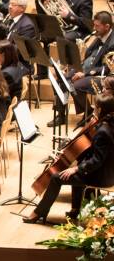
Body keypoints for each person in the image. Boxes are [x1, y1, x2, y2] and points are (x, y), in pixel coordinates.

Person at [24, 94, 114, 224]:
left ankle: (39, 212)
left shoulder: (103, 131)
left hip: (102, 177)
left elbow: (97, 160)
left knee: (56, 178)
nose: (93, 108)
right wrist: (72, 159)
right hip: (108, 171)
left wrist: (76, 168)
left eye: (96, 106)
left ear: (100, 110)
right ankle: (75, 210)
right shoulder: (108, 125)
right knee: (73, 170)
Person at [67, 11, 114, 124]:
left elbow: (107, 68)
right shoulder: (100, 35)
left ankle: (88, 112)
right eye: (94, 25)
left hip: (103, 76)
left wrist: (85, 73)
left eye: (97, 26)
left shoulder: (112, 43)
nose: (94, 28)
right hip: (88, 67)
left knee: (76, 85)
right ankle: (60, 113)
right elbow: (89, 54)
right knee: (63, 78)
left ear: (107, 26)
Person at [0, 40, 24, 110]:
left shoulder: (6, 74)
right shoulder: (17, 65)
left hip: (7, 108)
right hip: (14, 103)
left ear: (3, 55)